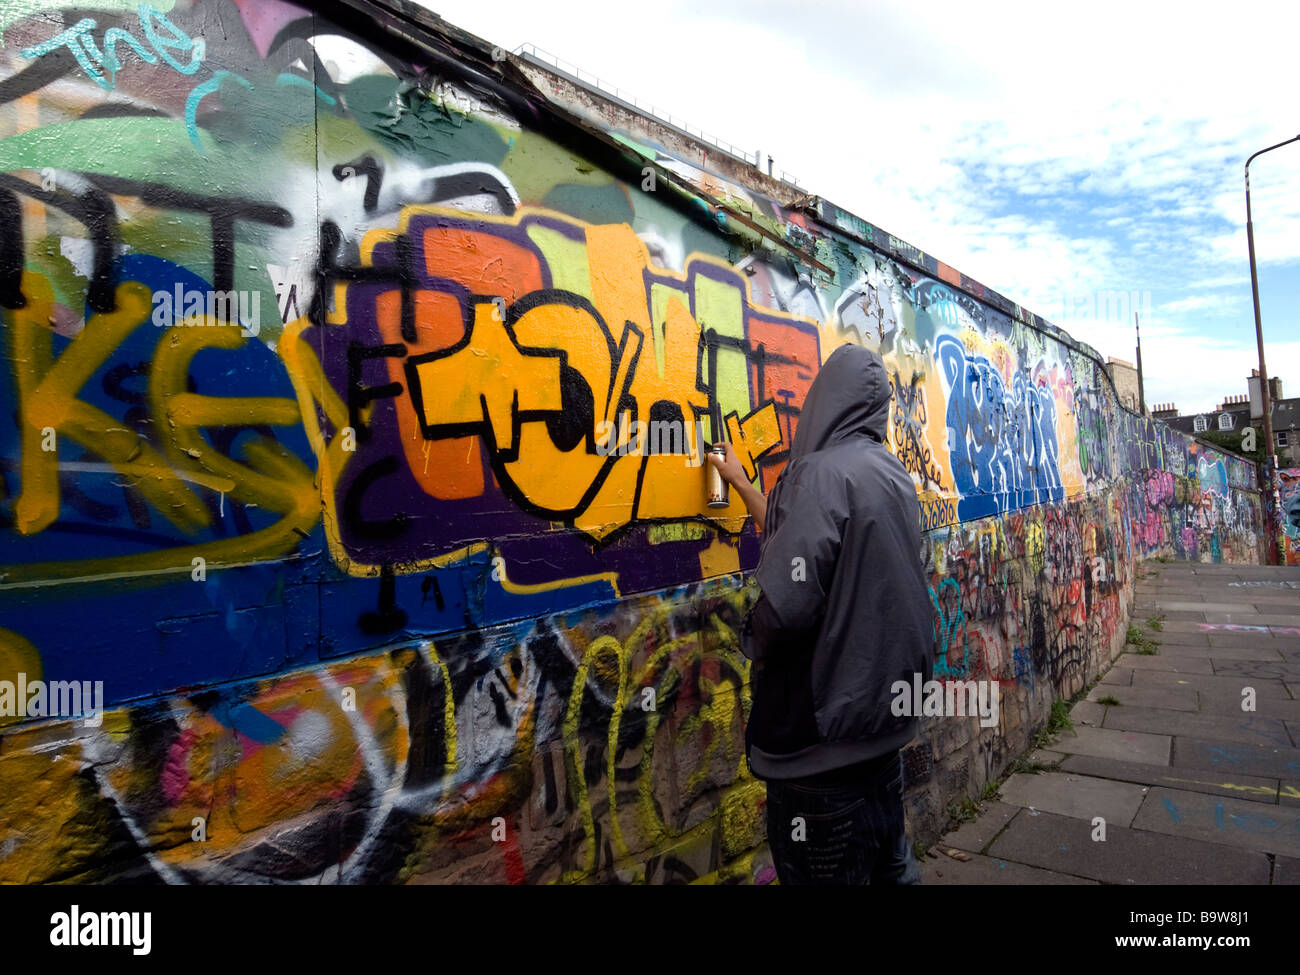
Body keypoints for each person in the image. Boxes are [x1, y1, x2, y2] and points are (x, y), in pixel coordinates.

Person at [707, 343, 934, 885]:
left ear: (825, 400)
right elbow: (810, 552)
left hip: (822, 755)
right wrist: (742, 484)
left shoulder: (818, 476)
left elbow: (787, 604)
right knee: (892, 869)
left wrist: (750, 638)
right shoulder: (892, 476)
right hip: (882, 737)